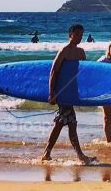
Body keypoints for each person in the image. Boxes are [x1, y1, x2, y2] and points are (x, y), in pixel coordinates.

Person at [41, 24, 96, 165]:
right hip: (62, 92)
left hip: (72, 91)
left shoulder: (81, 52)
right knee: (70, 123)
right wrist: (51, 92)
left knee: (62, 123)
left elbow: (85, 75)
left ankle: (47, 153)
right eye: (77, 34)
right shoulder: (64, 51)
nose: (79, 37)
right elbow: (53, 72)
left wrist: (87, 93)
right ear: (70, 35)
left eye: (81, 35)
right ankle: (80, 156)